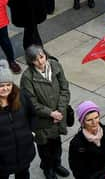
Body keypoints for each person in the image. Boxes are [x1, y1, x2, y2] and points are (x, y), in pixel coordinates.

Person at [20, 45, 71, 179]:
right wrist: (51, 113)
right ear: (31, 61)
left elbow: (65, 89)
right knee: (44, 147)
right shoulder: (27, 77)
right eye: (36, 60)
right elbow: (31, 102)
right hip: (42, 120)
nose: (40, 62)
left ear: (45, 55)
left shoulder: (55, 66)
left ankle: (57, 164)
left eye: (41, 57)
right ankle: (48, 168)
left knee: (57, 142)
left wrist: (59, 111)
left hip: (59, 115)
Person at [0, 59, 36, 179]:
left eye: (8, 85)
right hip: (2, 159)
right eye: (1, 86)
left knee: (23, 175)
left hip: (23, 152)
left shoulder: (21, 97)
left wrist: (32, 132)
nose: (5, 88)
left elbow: (32, 114)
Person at [68, 101, 105, 179]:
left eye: (96, 117)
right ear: (82, 123)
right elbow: (77, 170)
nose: (94, 122)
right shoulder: (76, 143)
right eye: (89, 120)